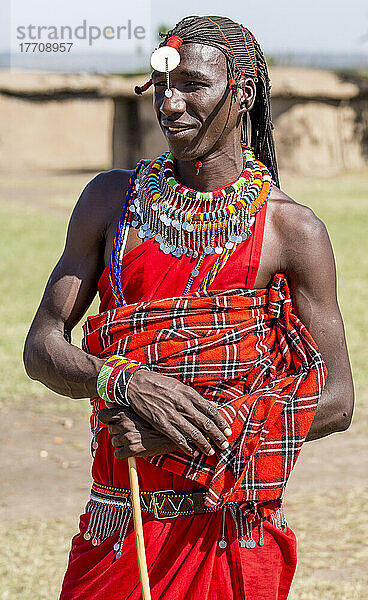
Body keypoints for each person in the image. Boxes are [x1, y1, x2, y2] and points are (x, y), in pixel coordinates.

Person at [23, 15, 354, 600]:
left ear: (242, 92)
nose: (170, 104)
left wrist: (190, 435)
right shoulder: (109, 203)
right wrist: (122, 383)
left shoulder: (291, 231)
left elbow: (335, 402)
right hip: (122, 527)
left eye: (193, 85)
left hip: (231, 533)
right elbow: (43, 345)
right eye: (163, 86)